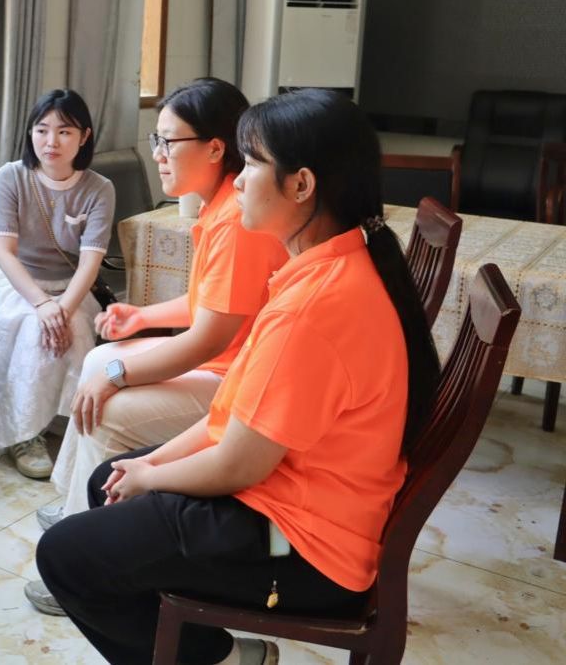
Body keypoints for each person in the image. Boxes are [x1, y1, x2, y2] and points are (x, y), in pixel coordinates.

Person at [35, 89, 441, 665]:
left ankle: (212, 658)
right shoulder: (334, 263)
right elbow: (233, 413)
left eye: (251, 164)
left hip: (301, 550)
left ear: (301, 185)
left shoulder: (313, 307)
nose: (240, 180)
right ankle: (213, 651)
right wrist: (151, 466)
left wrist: (153, 477)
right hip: (293, 504)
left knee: (66, 556)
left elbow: (238, 464)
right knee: (110, 478)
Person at [24, 78, 287, 614]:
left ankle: (83, 556)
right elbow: (212, 303)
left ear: (215, 148)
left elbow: (209, 338)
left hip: (236, 383)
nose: (159, 154)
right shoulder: (220, 207)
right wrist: (142, 317)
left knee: (108, 406)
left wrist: (118, 376)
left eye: (170, 141)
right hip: (228, 367)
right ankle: (77, 501)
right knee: (99, 359)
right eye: (156, 140)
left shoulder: (236, 221)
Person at [0, 89, 115, 478]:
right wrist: (42, 304)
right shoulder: (11, 177)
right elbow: (5, 253)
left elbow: (90, 262)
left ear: (84, 137)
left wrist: (62, 308)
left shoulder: (99, 188)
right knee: (35, 331)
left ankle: (69, 422)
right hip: (17, 282)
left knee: (76, 330)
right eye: (42, 130)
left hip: (71, 285)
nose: (51, 141)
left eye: (64, 132)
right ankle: (23, 433)